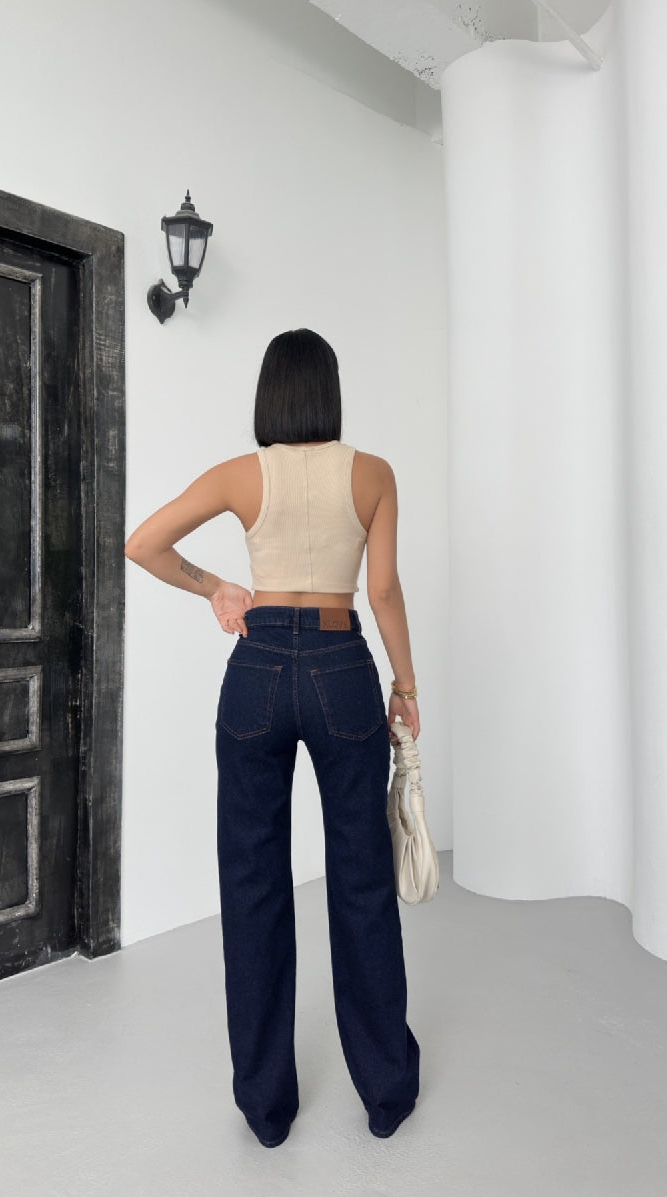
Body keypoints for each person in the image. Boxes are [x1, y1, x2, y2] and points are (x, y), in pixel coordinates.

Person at [125, 328, 420, 1148]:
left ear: (270, 395)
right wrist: (405, 685)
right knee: (361, 876)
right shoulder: (373, 474)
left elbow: (143, 544)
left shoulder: (240, 474)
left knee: (252, 882)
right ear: (329, 390)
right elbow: (383, 589)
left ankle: (265, 1106)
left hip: (255, 671)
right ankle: (385, 1091)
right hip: (341, 667)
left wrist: (217, 587)